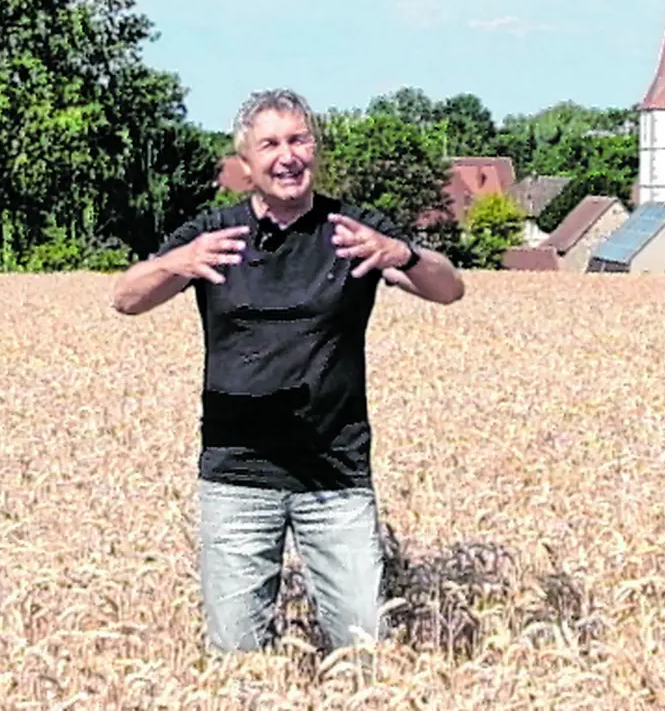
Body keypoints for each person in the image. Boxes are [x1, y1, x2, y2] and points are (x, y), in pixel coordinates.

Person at [110, 88, 465, 652]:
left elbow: (450, 289)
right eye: (270, 144)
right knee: (236, 656)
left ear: (315, 150)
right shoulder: (215, 235)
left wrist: (403, 254)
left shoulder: (351, 231)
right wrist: (177, 262)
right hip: (237, 474)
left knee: (364, 646)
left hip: (335, 471)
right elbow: (126, 298)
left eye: (299, 139)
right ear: (245, 164)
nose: (287, 156)